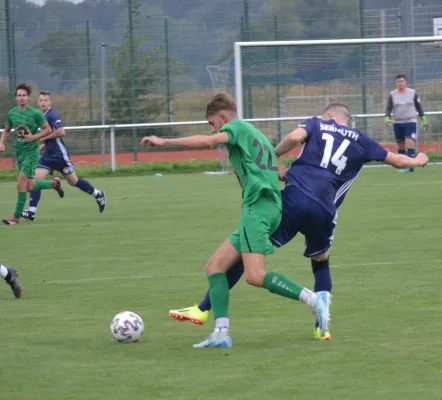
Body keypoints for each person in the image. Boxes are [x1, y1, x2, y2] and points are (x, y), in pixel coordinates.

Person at [168, 103, 429, 341]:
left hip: (293, 198)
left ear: (329, 115)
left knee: (247, 250)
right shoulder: (361, 139)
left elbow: (294, 137)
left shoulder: (316, 123)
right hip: (325, 210)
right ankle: (321, 324)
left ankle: (204, 309)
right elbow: (396, 160)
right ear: (346, 122)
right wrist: (418, 160)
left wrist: (272, 156)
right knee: (321, 259)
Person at [140, 93, 331, 348]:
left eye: (212, 123)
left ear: (222, 117)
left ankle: (314, 300)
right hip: (267, 206)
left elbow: (209, 143)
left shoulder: (235, 128)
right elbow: (282, 172)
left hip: (258, 207)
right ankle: (221, 333)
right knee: (215, 267)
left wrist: (163, 142)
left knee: (254, 275)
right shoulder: (257, 136)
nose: (214, 129)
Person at [21, 91, 106, 221]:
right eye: (41, 100)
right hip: (48, 155)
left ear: (50, 102)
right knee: (35, 178)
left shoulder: (52, 115)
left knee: (74, 181)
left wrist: (44, 140)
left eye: (45, 100)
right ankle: (32, 211)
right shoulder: (41, 116)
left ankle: (98, 194)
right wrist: (44, 145)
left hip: (60, 156)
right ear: (38, 102)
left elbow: (61, 132)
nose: (43, 102)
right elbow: (49, 137)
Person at [0, 83, 64, 225]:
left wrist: (34, 138)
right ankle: (54, 183)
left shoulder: (35, 113)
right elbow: (6, 129)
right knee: (29, 187)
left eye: (24, 95)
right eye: (19, 95)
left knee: (20, 182)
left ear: (28, 98)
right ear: (16, 98)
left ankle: (15, 218)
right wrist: (1, 142)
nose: (21, 98)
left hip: (32, 152)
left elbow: (47, 130)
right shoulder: (12, 113)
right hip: (20, 153)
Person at [385, 74, 428, 172]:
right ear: (396, 83)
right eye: (398, 81)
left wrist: (423, 118)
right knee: (400, 145)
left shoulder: (412, 93)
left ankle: (411, 166)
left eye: (402, 81)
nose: (400, 83)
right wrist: (387, 117)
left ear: (405, 82)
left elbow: (418, 106)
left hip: (410, 121)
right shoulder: (392, 94)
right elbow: (389, 107)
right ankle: (403, 166)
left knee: (410, 143)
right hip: (397, 122)